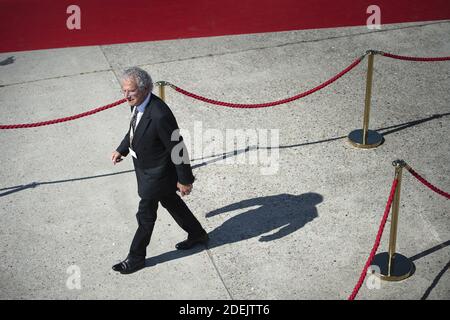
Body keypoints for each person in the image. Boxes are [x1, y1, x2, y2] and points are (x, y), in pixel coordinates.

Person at [111, 67, 208, 274]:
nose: (125, 96)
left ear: (145, 89)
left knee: (145, 215)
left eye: (130, 91)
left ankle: (136, 257)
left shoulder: (160, 114)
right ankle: (198, 234)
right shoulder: (136, 104)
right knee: (171, 202)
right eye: (123, 91)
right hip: (146, 169)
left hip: (156, 174)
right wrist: (123, 149)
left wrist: (185, 180)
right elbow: (133, 129)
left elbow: (177, 147)